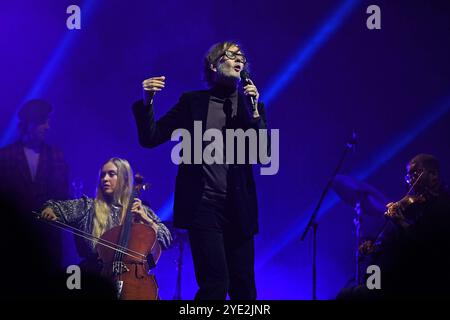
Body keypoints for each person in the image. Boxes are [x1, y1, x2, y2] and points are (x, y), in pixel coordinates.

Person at [132, 41, 268, 300]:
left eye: (242, 57)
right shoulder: (193, 102)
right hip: (203, 207)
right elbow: (151, 137)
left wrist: (255, 113)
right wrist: (147, 101)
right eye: (231, 55)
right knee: (215, 285)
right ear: (213, 64)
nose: (239, 60)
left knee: (245, 290)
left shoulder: (252, 107)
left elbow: (262, 154)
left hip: (239, 208)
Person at [40, 157, 172, 283]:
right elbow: (57, 207)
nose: (105, 179)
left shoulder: (139, 209)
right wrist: (50, 209)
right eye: (102, 175)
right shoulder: (88, 207)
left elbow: (166, 239)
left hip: (131, 279)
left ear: (125, 179)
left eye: (111, 174)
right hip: (94, 278)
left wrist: (147, 220)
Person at [339, 153, 450, 299]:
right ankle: (369, 286)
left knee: (351, 295)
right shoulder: (413, 207)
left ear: (433, 175)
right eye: (408, 177)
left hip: (417, 279)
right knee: (353, 287)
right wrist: (373, 244)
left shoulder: (444, 206)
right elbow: (391, 240)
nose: (410, 181)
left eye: (415, 174)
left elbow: (425, 245)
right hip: (387, 276)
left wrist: (400, 222)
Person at [0, 99, 69, 269]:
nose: (47, 127)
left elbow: (63, 194)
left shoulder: (56, 155)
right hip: (14, 242)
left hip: (48, 241)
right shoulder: (5, 156)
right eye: (42, 122)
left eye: (48, 121)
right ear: (28, 124)